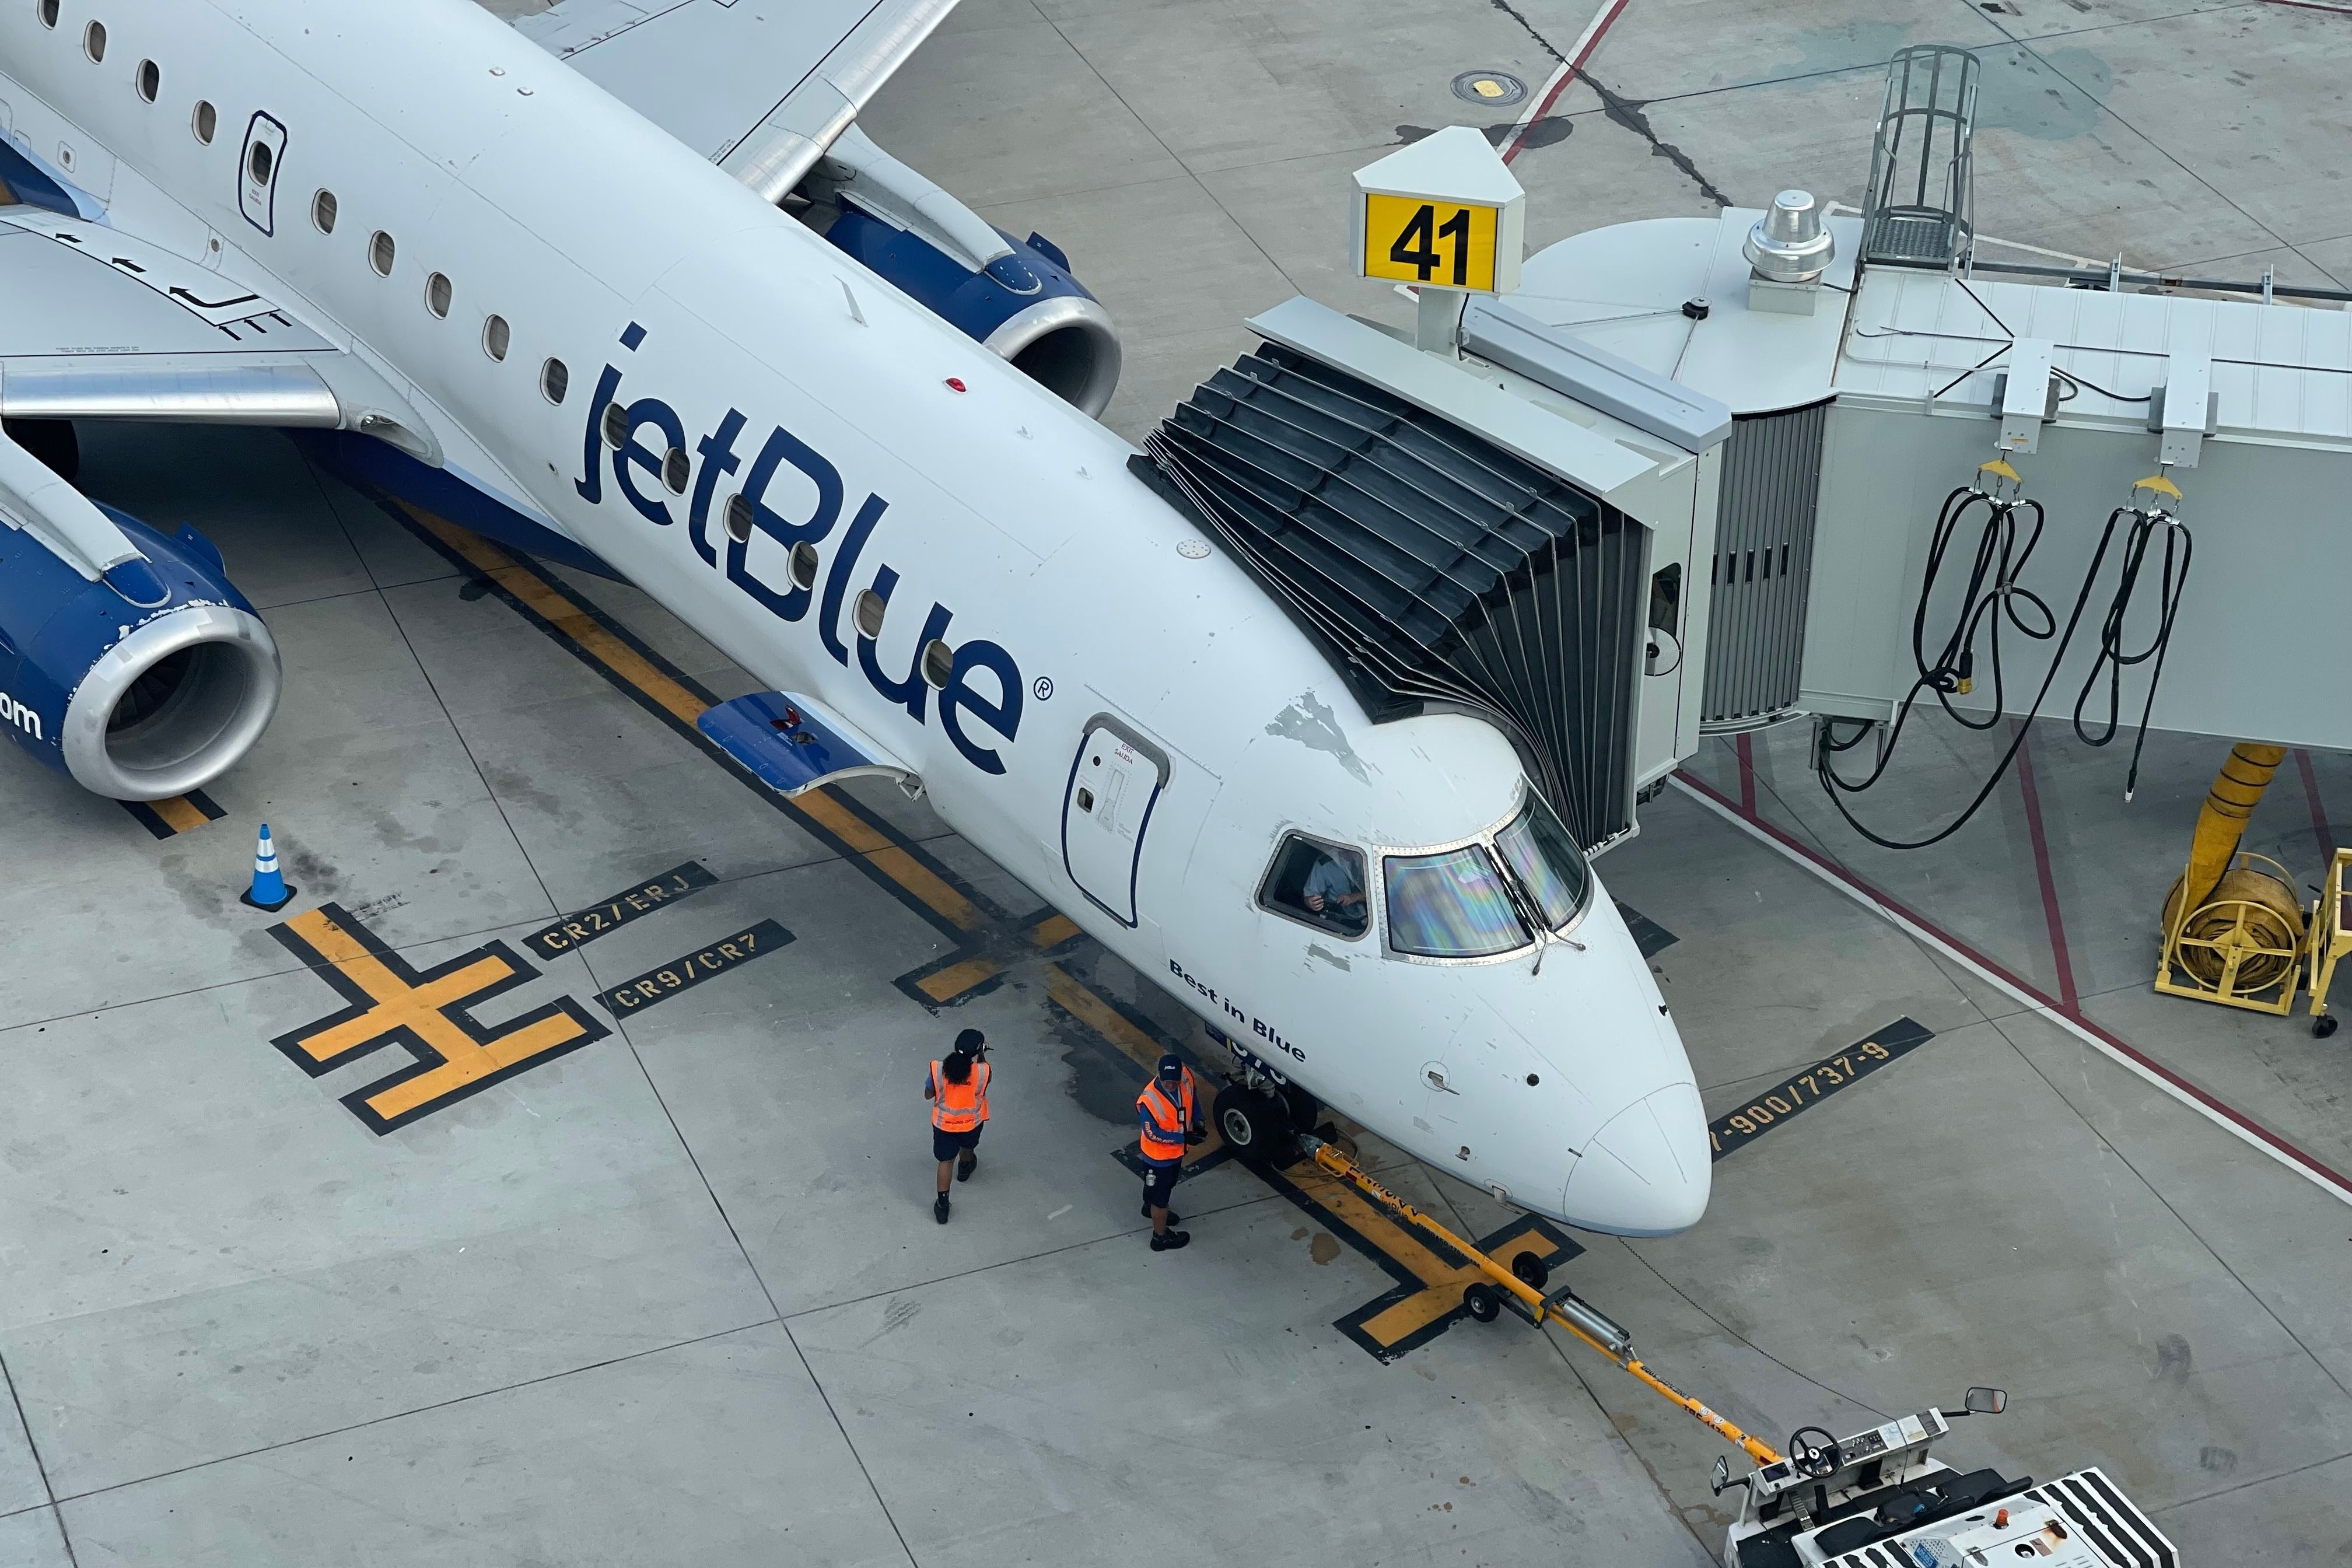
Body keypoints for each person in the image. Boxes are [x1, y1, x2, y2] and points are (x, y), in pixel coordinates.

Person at [1136, 1052, 1204, 1251]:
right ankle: (1161, 1237)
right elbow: (1152, 1134)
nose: (1172, 1085)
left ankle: (1150, 1208)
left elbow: (1193, 1099)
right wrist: (1184, 1138)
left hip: (1175, 1155)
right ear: (1159, 1076)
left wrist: (1199, 1121)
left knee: (1163, 1186)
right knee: (1161, 1199)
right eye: (1167, 1082)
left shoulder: (1186, 1079)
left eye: (1174, 1081)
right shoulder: (1149, 1101)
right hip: (1158, 1159)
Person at [924, 1028, 990, 1224]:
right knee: (967, 1147)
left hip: (945, 1125)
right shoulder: (983, 1071)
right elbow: (982, 1083)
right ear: (978, 1051)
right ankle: (965, 1168)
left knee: (946, 1161)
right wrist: (982, 1056)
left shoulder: (938, 1070)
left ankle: (943, 1206)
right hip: (971, 1124)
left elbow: (928, 1094)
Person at [1302, 850, 1367, 932]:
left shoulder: (1366, 858)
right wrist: (1312, 903)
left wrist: (1357, 896)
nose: (1352, 854)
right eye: (1348, 852)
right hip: (1343, 919)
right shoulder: (1324, 865)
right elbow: (1310, 896)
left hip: (1370, 914)